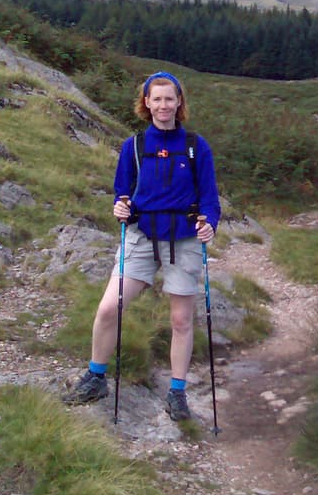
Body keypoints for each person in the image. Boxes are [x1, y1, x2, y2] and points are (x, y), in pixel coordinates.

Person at [64, 71, 221, 421]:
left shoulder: (197, 146)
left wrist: (209, 223)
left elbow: (210, 199)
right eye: (157, 98)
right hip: (141, 236)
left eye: (170, 98)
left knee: (181, 320)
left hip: (183, 239)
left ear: (179, 103)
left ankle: (177, 393)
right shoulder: (134, 146)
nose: (163, 105)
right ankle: (96, 376)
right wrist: (121, 206)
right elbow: (124, 193)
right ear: (146, 102)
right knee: (108, 309)